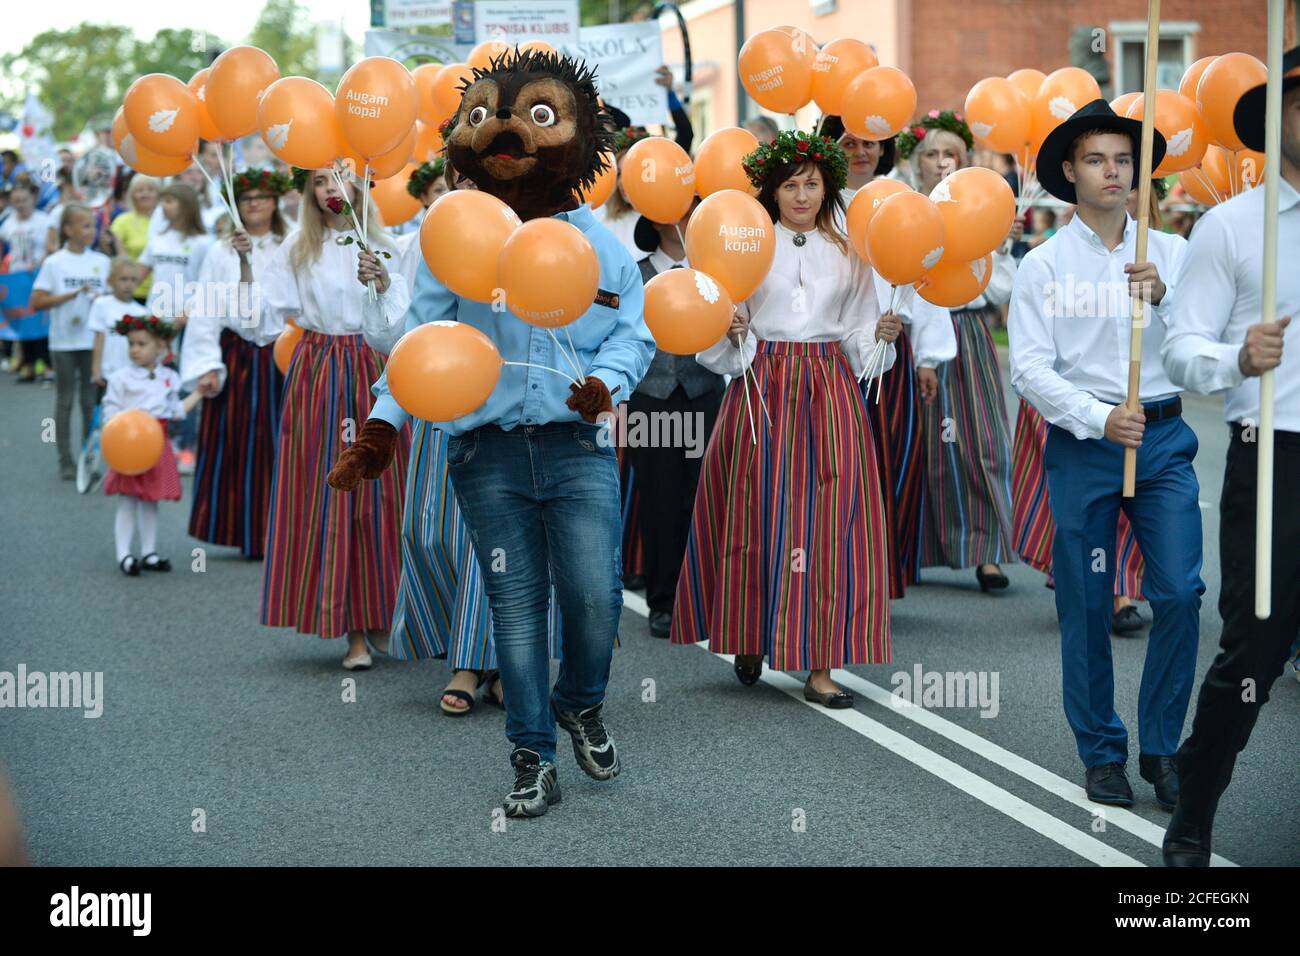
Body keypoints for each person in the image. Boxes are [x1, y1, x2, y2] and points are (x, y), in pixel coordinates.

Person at [330, 50, 653, 817]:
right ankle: (531, 757)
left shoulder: (603, 244)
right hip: (487, 451)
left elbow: (633, 334)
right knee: (514, 608)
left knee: (595, 598)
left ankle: (581, 700)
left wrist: (605, 386)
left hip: (576, 448)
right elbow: (419, 342)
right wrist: (381, 425)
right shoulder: (455, 236)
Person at [1009, 100, 1198, 812]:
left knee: (1179, 592)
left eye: (1123, 159)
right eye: (1097, 159)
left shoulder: (1171, 253)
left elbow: (1201, 349)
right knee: (1088, 605)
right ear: (1070, 171)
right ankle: (1102, 751)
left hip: (1165, 440)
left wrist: (1168, 300)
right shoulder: (1044, 265)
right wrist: (1096, 416)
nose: (1113, 171)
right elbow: (1029, 367)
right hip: (1086, 445)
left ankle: (1163, 747)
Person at [671, 129, 897, 704]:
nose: (802, 195)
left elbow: (856, 332)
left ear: (828, 188)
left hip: (828, 385)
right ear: (772, 190)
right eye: (791, 184)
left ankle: (821, 664)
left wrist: (879, 335)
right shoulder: (748, 243)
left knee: (830, 520)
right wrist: (732, 330)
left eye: (813, 184)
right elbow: (722, 323)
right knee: (755, 509)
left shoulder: (852, 250)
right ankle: (750, 630)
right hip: (761, 382)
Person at [1159, 50, 1300, 866]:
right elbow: (1180, 350)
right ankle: (1195, 807)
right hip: (1274, 456)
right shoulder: (1232, 227)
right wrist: (1236, 360)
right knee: (1255, 649)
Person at [378, 159, 559, 716]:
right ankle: (480, 653)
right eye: (464, 179)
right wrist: (385, 414)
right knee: (430, 534)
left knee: (496, 542)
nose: (472, 189)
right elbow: (411, 331)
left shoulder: (537, 233)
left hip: (515, 411)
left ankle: (482, 663)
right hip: (447, 402)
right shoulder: (437, 240)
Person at [247, 165, 409, 669]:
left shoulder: (391, 245)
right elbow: (259, 322)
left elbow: (403, 323)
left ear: (359, 184)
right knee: (331, 491)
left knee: (382, 492)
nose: (329, 189)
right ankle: (350, 628)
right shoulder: (297, 248)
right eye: (318, 181)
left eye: (339, 177)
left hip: (374, 367)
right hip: (318, 370)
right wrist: (240, 269)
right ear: (308, 192)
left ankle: (380, 612)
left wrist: (382, 283)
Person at [820, 114, 953, 599]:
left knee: (889, 461)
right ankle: (832, 573)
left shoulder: (902, 204)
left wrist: (928, 359)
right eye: (849, 141)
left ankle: (880, 576)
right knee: (835, 469)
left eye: (871, 143)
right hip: (829, 354)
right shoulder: (817, 205)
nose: (860, 151)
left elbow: (927, 279)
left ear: (885, 149)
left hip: (890, 350)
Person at [901, 109, 1021, 591]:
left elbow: (998, 290)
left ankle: (988, 551)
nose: (942, 162)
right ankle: (916, 550)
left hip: (968, 335)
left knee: (982, 443)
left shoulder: (979, 212)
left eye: (951, 153)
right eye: (931, 154)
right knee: (923, 448)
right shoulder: (906, 212)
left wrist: (1003, 249)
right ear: (918, 165)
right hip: (914, 341)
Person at [180, 167, 291, 560]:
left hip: (283, 352)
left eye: (262, 196)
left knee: (284, 442)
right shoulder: (219, 251)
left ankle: (285, 533)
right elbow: (206, 308)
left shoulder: (290, 243)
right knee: (238, 441)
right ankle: (244, 530)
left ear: (275, 201)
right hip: (236, 354)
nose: (255, 203)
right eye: (246, 199)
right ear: (236, 206)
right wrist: (206, 364)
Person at [627, 203, 725, 637]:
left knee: (704, 498)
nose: (680, 219)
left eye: (689, 211)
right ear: (651, 218)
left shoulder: (717, 271)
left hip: (705, 393)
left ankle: (705, 597)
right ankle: (663, 600)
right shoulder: (635, 273)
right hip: (652, 399)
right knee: (659, 500)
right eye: (671, 211)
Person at [102, 315, 204, 574]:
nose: (135, 349)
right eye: (132, 344)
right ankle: (124, 555)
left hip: (157, 444)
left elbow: (176, 410)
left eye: (141, 344)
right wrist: (120, 433)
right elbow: (110, 412)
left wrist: (200, 392)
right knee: (128, 499)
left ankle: (149, 552)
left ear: (160, 347)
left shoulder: (168, 377)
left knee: (150, 500)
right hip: (129, 444)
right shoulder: (121, 378)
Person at [138, 182, 214, 475]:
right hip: (156, 323)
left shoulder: (202, 243)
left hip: (187, 323)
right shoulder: (158, 239)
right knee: (157, 381)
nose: (164, 206)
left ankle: (187, 446)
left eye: (170, 201)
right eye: (163, 201)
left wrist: (190, 309)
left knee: (185, 385)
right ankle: (160, 440)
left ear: (186, 205)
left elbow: (208, 282)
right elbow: (140, 272)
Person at [30, 205, 111, 480]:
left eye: (92, 225)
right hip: (63, 341)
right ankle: (65, 459)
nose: (91, 230)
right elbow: (37, 302)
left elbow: (109, 299)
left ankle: (88, 459)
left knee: (90, 401)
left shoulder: (101, 260)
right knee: (64, 400)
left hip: (92, 341)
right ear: (68, 230)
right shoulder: (55, 262)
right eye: (85, 225)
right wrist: (71, 295)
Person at [1, 176, 53, 382]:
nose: (20, 204)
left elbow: (52, 247)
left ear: (33, 198)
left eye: (24, 200)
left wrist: (40, 261)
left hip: (38, 275)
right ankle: (29, 364)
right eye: (16, 201)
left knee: (40, 319)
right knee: (22, 319)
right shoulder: (8, 223)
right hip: (17, 276)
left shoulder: (44, 220)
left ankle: (46, 364)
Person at [89, 257, 147, 388]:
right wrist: (96, 370)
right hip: (108, 373)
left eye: (133, 280)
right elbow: (99, 338)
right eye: (123, 279)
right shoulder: (101, 304)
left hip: (133, 373)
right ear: (111, 281)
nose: (128, 284)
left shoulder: (141, 312)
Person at [110, 175, 160, 302]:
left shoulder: (165, 222)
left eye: (150, 190)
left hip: (161, 290)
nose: (145, 194)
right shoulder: (122, 221)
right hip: (132, 291)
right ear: (132, 195)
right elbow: (119, 256)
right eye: (140, 190)